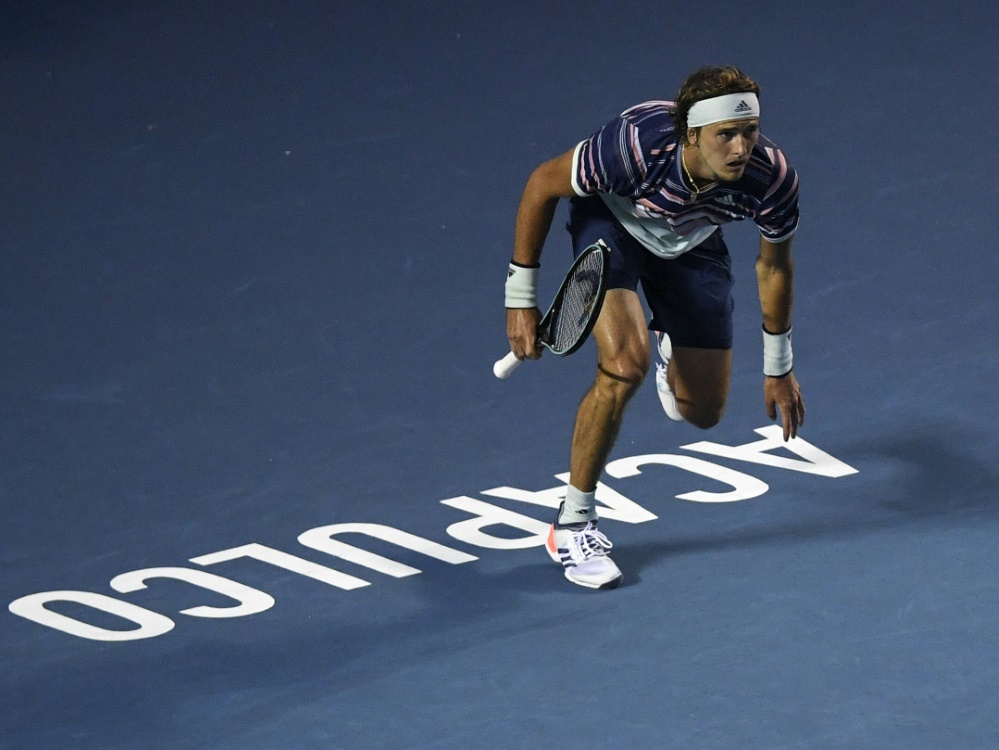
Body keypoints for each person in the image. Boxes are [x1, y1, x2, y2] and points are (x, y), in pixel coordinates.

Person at [503, 65, 806, 590]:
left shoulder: (771, 177)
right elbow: (540, 185)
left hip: (691, 241)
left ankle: (669, 340)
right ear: (691, 133)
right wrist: (520, 297)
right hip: (614, 222)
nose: (742, 148)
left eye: (750, 131)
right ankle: (573, 522)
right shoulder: (632, 147)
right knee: (625, 365)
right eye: (726, 135)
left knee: (703, 412)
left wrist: (779, 367)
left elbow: (774, 266)